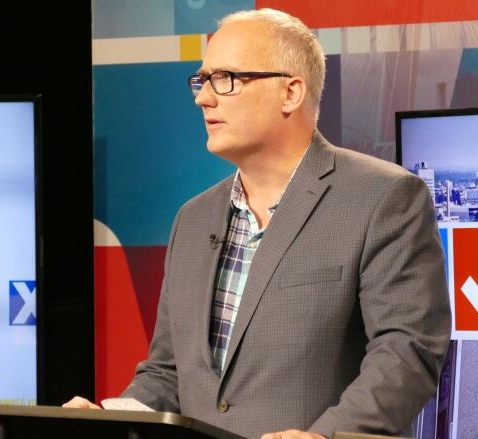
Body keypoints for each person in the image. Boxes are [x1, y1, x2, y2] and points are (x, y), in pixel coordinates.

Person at [66, 8, 451, 439]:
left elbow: (406, 350)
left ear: (290, 92)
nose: (203, 98)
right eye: (202, 80)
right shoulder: (192, 219)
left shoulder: (384, 197)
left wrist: (327, 436)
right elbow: (169, 371)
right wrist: (113, 419)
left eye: (226, 79)